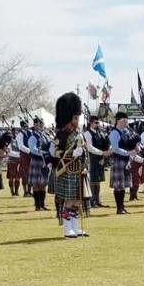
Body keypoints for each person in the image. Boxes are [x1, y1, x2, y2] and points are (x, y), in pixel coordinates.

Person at [53, 92, 88, 238]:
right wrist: (73, 154)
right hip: (67, 169)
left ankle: (75, 226)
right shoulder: (62, 133)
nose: (77, 120)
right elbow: (57, 152)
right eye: (75, 118)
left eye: (77, 117)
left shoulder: (78, 132)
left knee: (77, 200)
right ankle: (68, 229)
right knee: (68, 200)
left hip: (79, 169)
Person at [108, 112, 137, 214]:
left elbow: (129, 143)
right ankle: (119, 208)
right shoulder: (114, 133)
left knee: (124, 185)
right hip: (118, 160)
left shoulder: (126, 132)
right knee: (118, 185)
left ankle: (122, 206)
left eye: (126, 121)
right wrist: (129, 152)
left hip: (126, 160)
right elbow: (115, 149)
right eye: (123, 121)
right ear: (117, 121)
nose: (125, 123)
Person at [83, 116, 111, 208]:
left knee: (98, 180)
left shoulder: (99, 132)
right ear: (90, 123)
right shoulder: (87, 133)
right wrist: (102, 152)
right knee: (92, 180)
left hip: (99, 158)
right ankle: (92, 201)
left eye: (98, 122)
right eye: (95, 122)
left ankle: (97, 200)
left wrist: (108, 149)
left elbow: (105, 143)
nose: (97, 124)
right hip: (92, 158)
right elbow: (89, 147)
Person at [28, 118, 51, 211]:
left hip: (45, 162)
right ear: (35, 125)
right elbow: (33, 149)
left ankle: (42, 204)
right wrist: (43, 153)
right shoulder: (32, 137)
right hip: (37, 161)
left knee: (43, 184)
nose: (40, 126)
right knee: (37, 184)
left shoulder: (45, 136)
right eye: (38, 124)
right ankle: (37, 205)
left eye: (41, 124)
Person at [16, 120, 32, 197]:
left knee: (30, 174)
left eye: (27, 126)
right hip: (24, 155)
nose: (27, 127)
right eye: (25, 126)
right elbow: (20, 146)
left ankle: (29, 191)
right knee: (25, 175)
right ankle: (25, 192)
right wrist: (29, 150)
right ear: (22, 127)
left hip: (31, 155)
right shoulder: (20, 134)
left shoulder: (30, 133)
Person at [6, 129, 21, 196]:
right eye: (14, 133)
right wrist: (19, 154)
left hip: (18, 161)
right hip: (11, 161)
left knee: (17, 177)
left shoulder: (18, 142)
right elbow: (9, 152)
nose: (15, 134)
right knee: (11, 177)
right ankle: (12, 191)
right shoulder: (8, 142)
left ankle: (16, 191)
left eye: (16, 133)